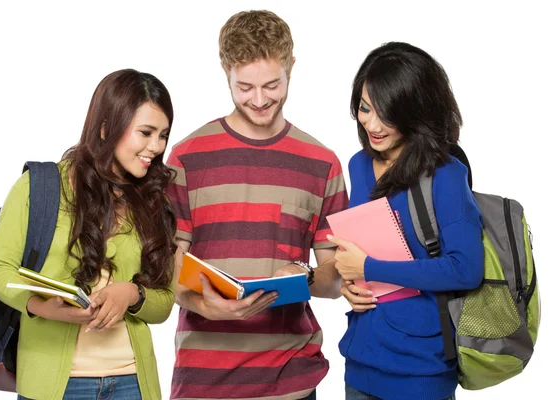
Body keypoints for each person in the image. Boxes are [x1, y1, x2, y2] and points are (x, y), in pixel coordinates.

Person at [166, 10, 348, 400]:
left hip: (290, 382)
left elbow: (336, 280)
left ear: (291, 68)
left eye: (272, 85)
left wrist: (303, 277)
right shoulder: (186, 158)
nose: (260, 100)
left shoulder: (322, 162)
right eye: (245, 87)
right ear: (225, 71)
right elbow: (168, 268)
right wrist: (204, 305)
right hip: (204, 382)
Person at [0, 69, 178, 400]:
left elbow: (164, 303)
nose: (156, 147)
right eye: (146, 133)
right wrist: (43, 308)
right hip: (53, 385)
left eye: (162, 135)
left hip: (133, 383)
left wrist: (132, 294)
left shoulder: (154, 200)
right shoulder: (41, 187)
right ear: (106, 128)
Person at [327, 42, 485, 400]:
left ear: (415, 112)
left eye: (387, 114)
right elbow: (362, 253)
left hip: (419, 372)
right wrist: (349, 286)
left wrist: (370, 267)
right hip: (361, 363)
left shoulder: (445, 174)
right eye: (365, 108)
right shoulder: (358, 164)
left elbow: (465, 269)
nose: (371, 123)